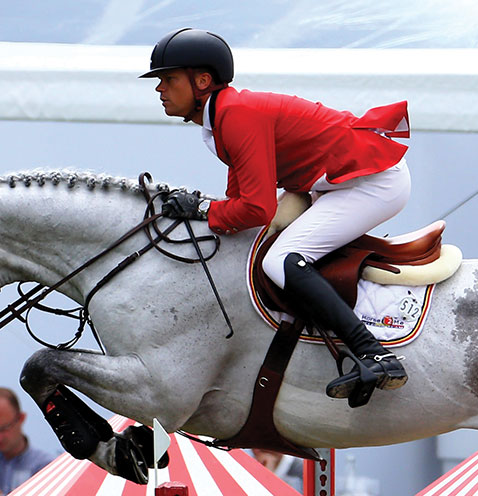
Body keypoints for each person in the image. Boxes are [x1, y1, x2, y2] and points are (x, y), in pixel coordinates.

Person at [141, 27, 411, 405]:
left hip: (371, 183)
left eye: (168, 79)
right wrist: (205, 209)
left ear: (202, 81)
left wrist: (202, 209)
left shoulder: (235, 115)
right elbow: (238, 199)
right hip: (338, 183)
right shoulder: (222, 117)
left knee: (282, 260)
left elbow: (255, 207)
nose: (159, 89)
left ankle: (375, 354)